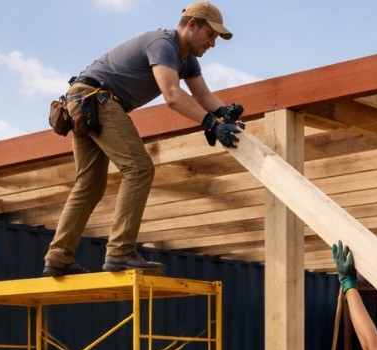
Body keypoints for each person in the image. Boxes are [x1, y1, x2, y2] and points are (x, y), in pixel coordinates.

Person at [42, 2, 244, 277]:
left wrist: (223, 112)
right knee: (139, 169)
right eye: (211, 35)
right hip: (97, 100)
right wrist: (210, 123)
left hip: (82, 101)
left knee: (90, 184)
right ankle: (120, 251)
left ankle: (58, 257)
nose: (213, 44)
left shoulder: (187, 60)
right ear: (192, 24)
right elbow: (172, 95)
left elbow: (202, 96)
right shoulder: (164, 44)